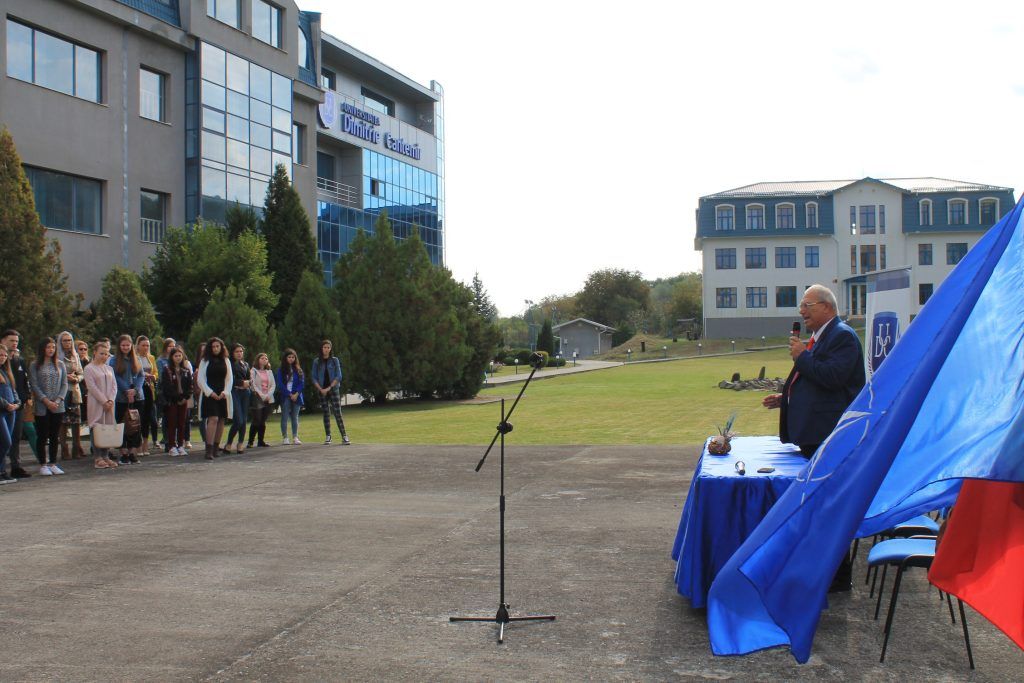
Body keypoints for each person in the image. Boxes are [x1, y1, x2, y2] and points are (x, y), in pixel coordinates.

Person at [762, 284, 865, 592]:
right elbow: (817, 380)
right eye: (801, 307)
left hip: (828, 435)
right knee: (816, 505)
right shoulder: (822, 337)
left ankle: (836, 575)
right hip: (814, 434)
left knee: (827, 505)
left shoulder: (843, 336)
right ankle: (821, 569)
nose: (801, 311)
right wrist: (786, 396)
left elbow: (834, 377)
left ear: (827, 307)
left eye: (807, 305)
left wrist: (802, 356)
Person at [30, 337, 68, 475]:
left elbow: (64, 384)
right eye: (48, 347)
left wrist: (57, 401)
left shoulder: (60, 364)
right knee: (42, 435)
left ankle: (53, 462)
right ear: (42, 349)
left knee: (54, 435)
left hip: (57, 405)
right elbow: (34, 385)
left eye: (53, 347)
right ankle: (43, 464)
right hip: (42, 405)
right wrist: (46, 401)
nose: (51, 350)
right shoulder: (35, 365)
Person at [1, 330, 32, 479]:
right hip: (3, 406)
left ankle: (15, 466)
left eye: (16, 341)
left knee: (15, 437)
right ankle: (2, 468)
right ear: (3, 341)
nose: (14, 343)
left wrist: (25, 398)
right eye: (11, 340)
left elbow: (23, 382)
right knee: (4, 438)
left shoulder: (19, 360)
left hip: (17, 404)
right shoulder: (3, 360)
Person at [109, 334, 144, 464]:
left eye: (127, 345)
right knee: (121, 425)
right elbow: (115, 377)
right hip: (120, 398)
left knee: (135, 426)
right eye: (123, 345)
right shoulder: (113, 360)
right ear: (119, 346)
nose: (125, 347)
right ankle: (123, 453)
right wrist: (126, 390)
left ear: (131, 346)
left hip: (136, 397)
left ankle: (132, 452)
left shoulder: (137, 359)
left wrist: (135, 390)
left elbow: (141, 376)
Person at [84, 341, 119, 469]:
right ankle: (97, 457)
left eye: (106, 354)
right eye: (101, 353)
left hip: (110, 404)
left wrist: (110, 400)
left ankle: (106, 455)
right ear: (94, 353)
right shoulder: (89, 368)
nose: (104, 356)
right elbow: (91, 387)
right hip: (96, 403)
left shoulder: (109, 369)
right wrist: (104, 401)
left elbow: (114, 386)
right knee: (96, 427)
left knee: (108, 427)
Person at [196, 337, 232, 460]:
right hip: (209, 394)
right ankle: (209, 449)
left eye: (218, 346)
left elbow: (229, 378)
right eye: (213, 346)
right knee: (213, 419)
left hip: (222, 394)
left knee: (221, 419)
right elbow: (200, 379)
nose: (216, 348)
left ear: (221, 347)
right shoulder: (205, 361)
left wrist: (225, 392)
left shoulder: (226, 360)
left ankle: (216, 448)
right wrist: (210, 393)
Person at [311, 340, 351, 445]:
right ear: (321, 348)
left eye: (328, 347)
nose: (326, 349)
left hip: (333, 389)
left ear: (331, 349)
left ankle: (344, 436)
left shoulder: (334, 360)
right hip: (321, 389)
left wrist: (329, 388)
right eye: (325, 347)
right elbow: (314, 377)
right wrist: (321, 389)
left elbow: (339, 376)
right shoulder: (316, 361)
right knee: (326, 413)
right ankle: (328, 436)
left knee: (337, 413)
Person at [57, 330, 86, 460]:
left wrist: (77, 378)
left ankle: (76, 448)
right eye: (65, 340)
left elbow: (81, 372)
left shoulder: (75, 356)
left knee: (76, 422)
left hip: (74, 391)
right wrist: (65, 377)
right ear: (60, 342)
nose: (67, 343)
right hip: (62, 392)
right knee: (63, 423)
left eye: (69, 340)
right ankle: (64, 450)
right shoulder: (57, 356)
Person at [161, 346, 192, 456]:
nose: (178, 358)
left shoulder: (186, 370)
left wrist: (185, 397)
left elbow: (189, 386)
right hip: (172, 401)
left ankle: (180, 445)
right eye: (175, 356)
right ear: (172, 357)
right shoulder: (167, 369)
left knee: (182, 423)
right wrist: (177, 398)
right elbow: (167, 387)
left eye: (180, 355)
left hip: (183, 401)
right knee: (172, 423)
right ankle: (171, 446)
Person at [223, 344, 251, 454]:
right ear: (232, 353)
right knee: (238, 420)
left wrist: (248, 383)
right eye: (237, 351)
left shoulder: (246, 364)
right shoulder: (229, 364)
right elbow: (229, 379)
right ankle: (229, 443)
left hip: (245, 393)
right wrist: (241, 383)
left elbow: (249, 378)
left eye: (241, 351)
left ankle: (240, 443)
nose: (239, 353)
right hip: (234, 391)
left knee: (244, 420)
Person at [0, 345, 22, 483]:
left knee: (6, 443)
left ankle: (2, 471)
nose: (2, 358)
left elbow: (13, 390)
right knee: (6, 442)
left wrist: (17, 403)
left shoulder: (6, 372)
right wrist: (5, 404)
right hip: (2, 410)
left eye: (4, 355)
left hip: (11, 411)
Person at [135, 336, 159, 455]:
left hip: (149, 388)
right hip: (138, 389)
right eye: (143, 345)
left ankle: (145, 444)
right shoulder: (134, 357)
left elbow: (155, 372)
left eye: (147, 345)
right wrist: (143, 374)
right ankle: (137, 445)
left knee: (148, 418)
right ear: (138, 346)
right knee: (138, 417)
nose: (145, 347)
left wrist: (154, 376)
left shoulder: (151, 357)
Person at [246, 352, 275, 448]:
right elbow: (253, 385)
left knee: (263, 420)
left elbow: (273, 385)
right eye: (262, 358)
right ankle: (250, 441)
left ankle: (261, 441)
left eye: (266, 359)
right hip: (257, 397)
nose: (264, 360)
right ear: (258, 360)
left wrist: (268, 394)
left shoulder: (269, 372)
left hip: (268, 397)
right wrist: (262, 395)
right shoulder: (253, 371)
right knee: (257, 419)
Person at [276, 349, 304, 445]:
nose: (291, 359)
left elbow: (301, 383)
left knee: (295, 417)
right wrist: (289, 394)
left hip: (297, 396)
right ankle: (285, 437)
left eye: (293, 357)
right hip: (286, 395)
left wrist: (296, 394)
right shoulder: (281, 370)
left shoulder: (299, 370)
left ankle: (295, 437)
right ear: (285, 358)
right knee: (284, 416)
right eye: (289, 357)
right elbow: (280, 384)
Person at [76, 339, 91, 428]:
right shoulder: (74, 361)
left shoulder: (89, 361)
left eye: (85, 349)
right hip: (78, 389)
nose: (83, 351)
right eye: (81, 349)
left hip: (87, 390)